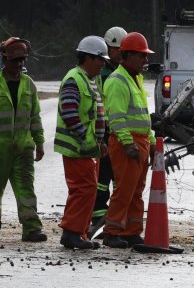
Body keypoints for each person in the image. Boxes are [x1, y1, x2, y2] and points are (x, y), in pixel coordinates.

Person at [0, 37, 46, 242]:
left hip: (23, 149)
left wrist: (39, 142)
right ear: (4, 60)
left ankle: (31, 228)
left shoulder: (28, 85)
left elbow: (34, 116)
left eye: (22, 60)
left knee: (26, 190)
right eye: (15, 60)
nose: (19, 64)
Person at [101, 32, 156, 248]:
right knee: (124, 190)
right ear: (128, 55)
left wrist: (150, 142)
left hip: (139, 141)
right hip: (128, 143)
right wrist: (128, 143)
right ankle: (112, 231)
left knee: (136, 191)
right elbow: (116, 117)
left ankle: (132, 231)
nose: (145, 60)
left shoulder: (135, 79)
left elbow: (143, 115)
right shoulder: (117, 81)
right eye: (141, 56)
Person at [55, 35, 109, 249]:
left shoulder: (90, 80)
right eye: (100, 59)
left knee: (87, 190)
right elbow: (69, 114)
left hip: (87, 148)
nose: (103, 64)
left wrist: (99, 142)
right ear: (87, 57)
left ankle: (80, 233)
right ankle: (72, 233)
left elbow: (94, 116)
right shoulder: (74, 79)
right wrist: (88, 141)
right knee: (83, 189)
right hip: (78, 149)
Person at [89, 26, 128, 237]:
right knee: (103, 178)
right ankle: (100, 218)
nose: (121, 54)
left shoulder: (115, 71)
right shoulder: (106, 74)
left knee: (113, 177)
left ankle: (110, 218)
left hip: (113, 131)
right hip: (107, 131)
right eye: (117, 50)